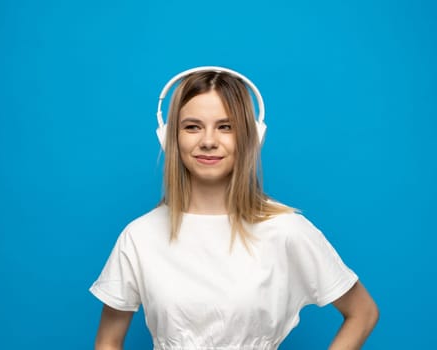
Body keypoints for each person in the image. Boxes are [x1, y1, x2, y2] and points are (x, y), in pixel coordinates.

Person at [89, 67, 379, 349]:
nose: (208, 141)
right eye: (192, 127)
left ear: (251, 137)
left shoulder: (286, 230)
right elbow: (107, 341)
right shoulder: (140, 236)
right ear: (170, 138)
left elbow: (362, 312)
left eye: (225, 127)